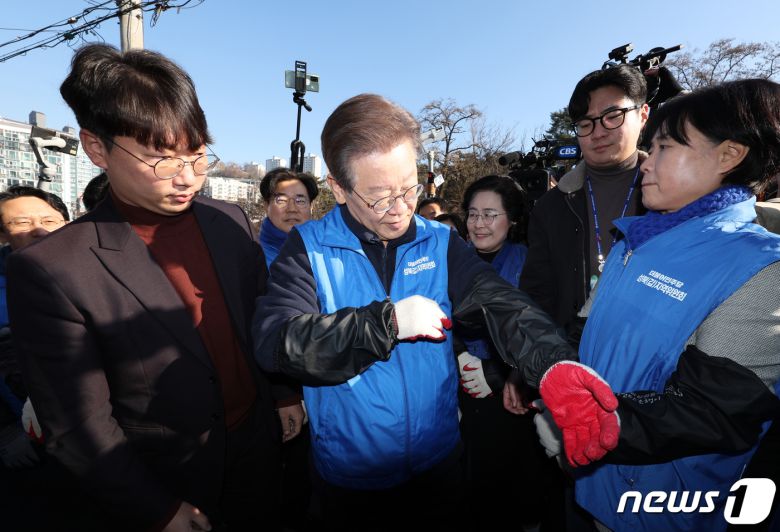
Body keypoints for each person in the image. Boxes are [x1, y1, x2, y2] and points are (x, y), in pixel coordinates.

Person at [7, 44, 300, 532]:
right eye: (161, 159)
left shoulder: (228, 220)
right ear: (96, 148)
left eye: (197, 154)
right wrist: (156, 509)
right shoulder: (52, 268)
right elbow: (78, 424)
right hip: (164, 479)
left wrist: (285, 394)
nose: (186, 178)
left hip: (257, 447)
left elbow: (261, 317)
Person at [252, 93, 577, 528]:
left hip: (440, 464)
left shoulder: (439, 241)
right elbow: (277, 343)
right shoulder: (308, 247)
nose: (401, 208)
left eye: (409, 187)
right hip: (351, 481)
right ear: (339, 188)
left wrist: (556, 366)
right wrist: (385, 324)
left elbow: (502, 304)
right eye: (381, 196)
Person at [545, 79, 780, 531]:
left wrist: (592, 425)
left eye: (667, 147)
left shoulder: (762, 269)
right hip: (590, 485)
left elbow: (714, 411)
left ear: (729, 155)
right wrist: (552, 385)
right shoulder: (632, 241)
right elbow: (582, 336)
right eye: (651, 148)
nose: (647, 163)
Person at [520, 65, 649, 333]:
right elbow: (538, 295)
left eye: (613, 116)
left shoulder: (677, 197)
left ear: (643, 114)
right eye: (585, 124)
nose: (598, 132)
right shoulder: (551, 206)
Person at [454, 175, 546, 528]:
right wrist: (461, 356)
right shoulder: (455, 259)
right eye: (473, 214)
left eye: (490, 214)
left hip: (512, 392)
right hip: (460, 387)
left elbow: (539, 330)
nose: (479, 223)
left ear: (512, 219)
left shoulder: (530, 264)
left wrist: (497, 371)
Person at [258, 167, 318, 267]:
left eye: (300, 201)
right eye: (281, 200)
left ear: (311, 207)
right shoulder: (253, 256)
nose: (292, 209)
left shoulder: (325, 253)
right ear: (266, 206)